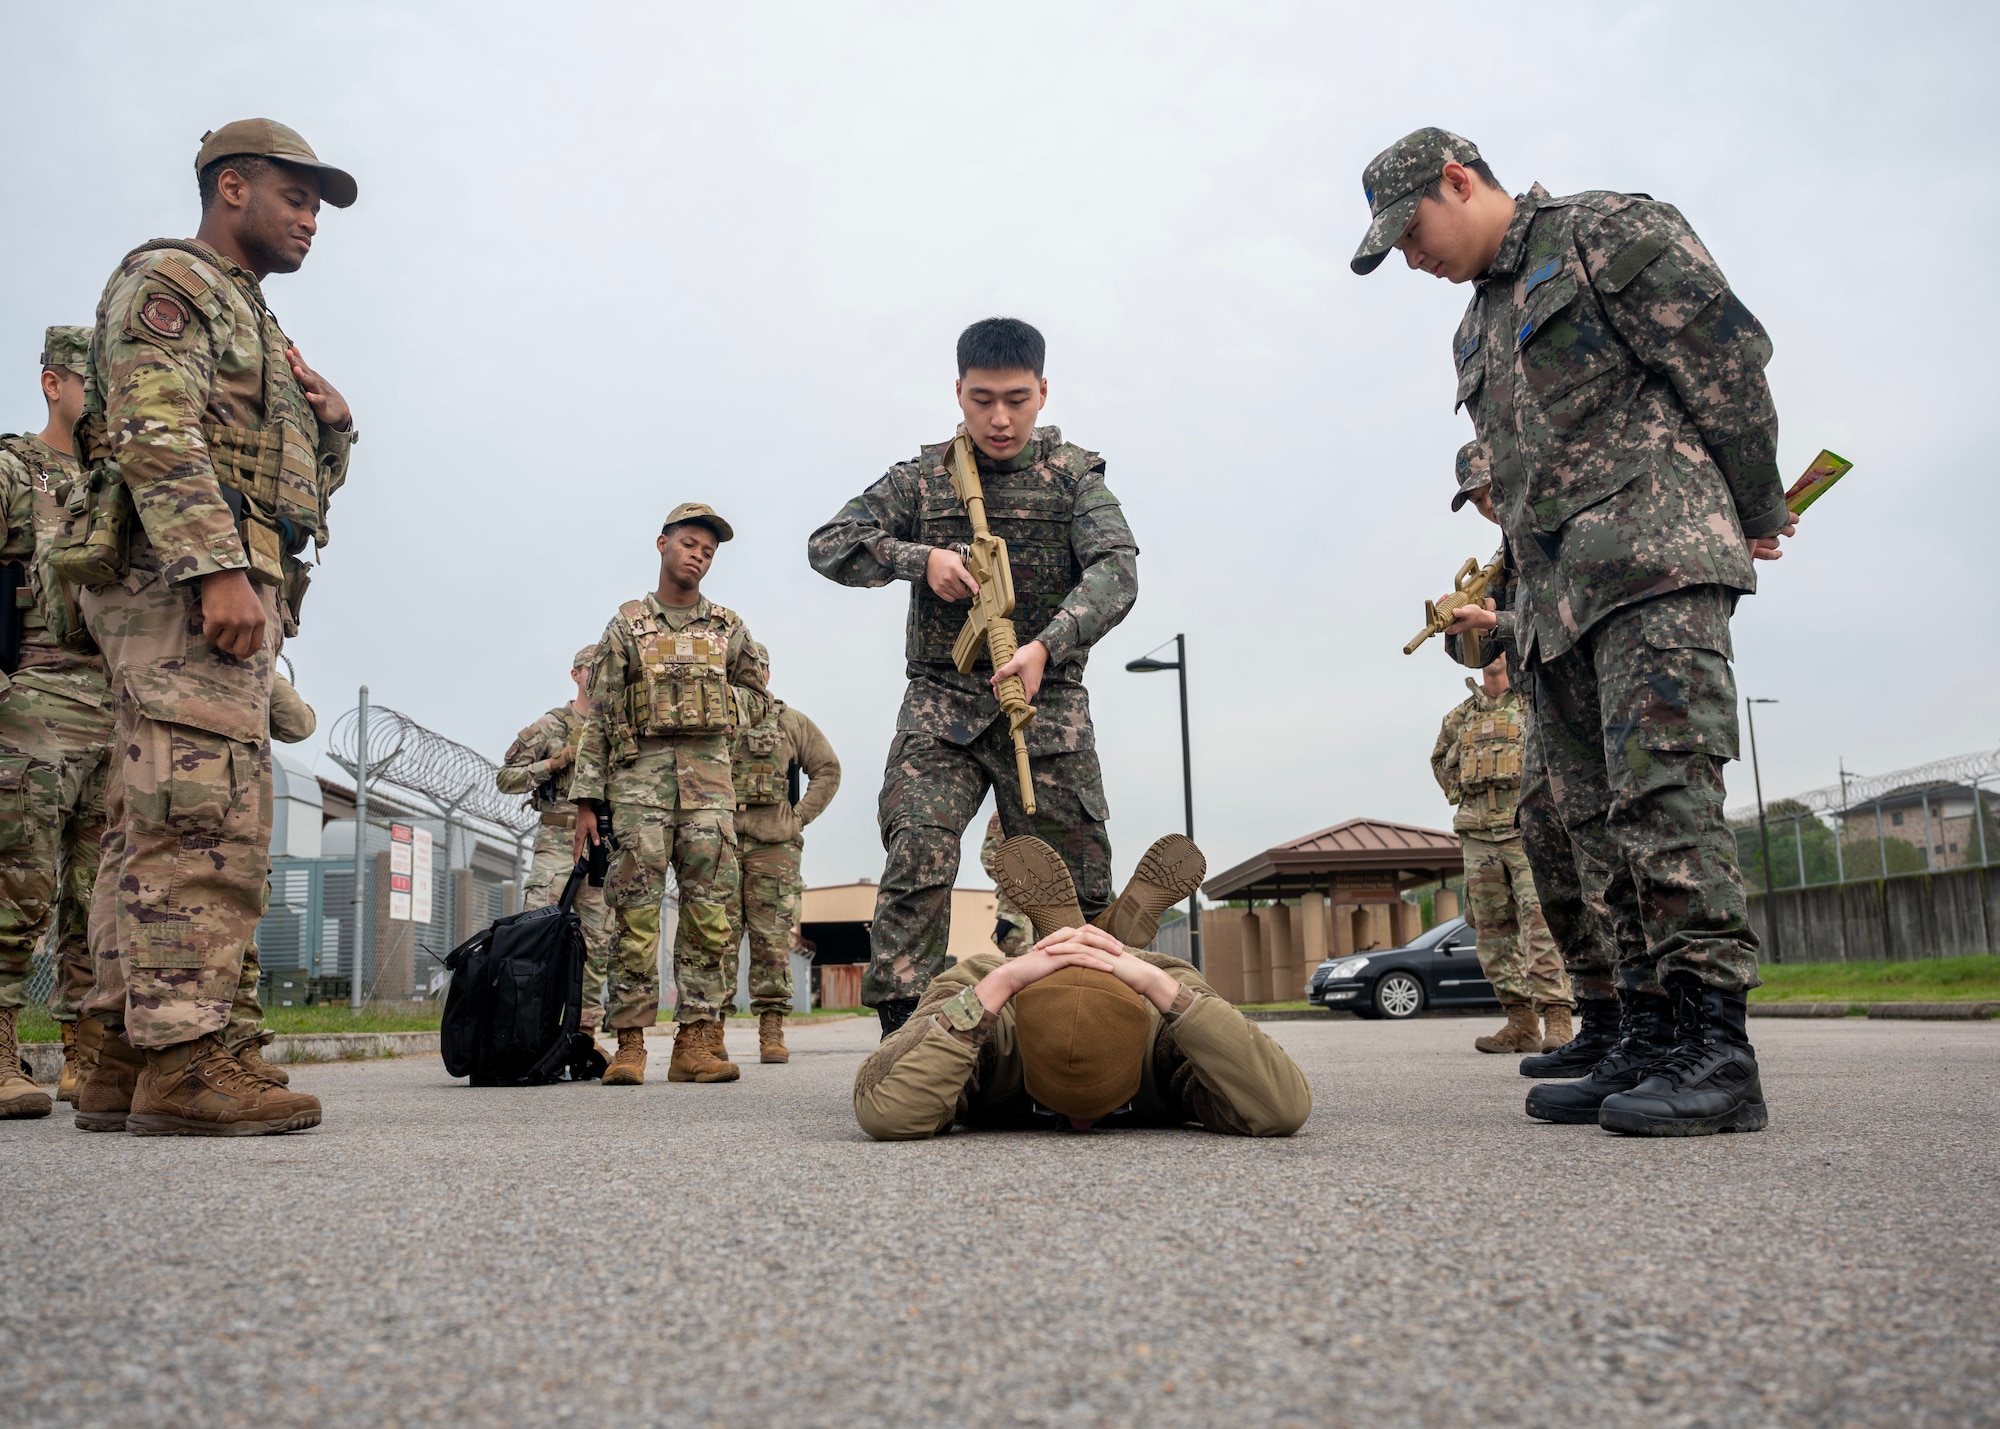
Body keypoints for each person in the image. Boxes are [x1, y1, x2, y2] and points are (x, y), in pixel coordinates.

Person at [1353, 128, 1794, 1135]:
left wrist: (1753, 505)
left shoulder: (1603, 231)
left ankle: (1715, 1050)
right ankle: (1643, 1032)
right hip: (1553, 605)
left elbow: (1721, 355)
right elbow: (1508, 472)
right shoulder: (1474, 328)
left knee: (1662, 796)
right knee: (1593, 828)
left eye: (1409, 232)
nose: (1410, 259)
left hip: (1650, 560)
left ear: (1456, 182)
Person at [66, 119, 356, 1136]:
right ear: (232, 187)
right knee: (199, 810)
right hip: (187, 584)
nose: (310, 219)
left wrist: (335, 421)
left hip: (221, 582)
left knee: (142, 818)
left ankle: (117, 1056)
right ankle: (186, 1061)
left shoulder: (254, 320)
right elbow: (155, 429)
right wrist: (218, 568)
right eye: (296, 197)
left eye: (317, 206)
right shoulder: (176, 284)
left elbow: (285, 477)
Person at [807, 317, 1139, 1037]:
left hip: (1044, 705)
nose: (999, 417)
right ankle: (905, 1031)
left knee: (1071, 886)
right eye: (982, 398)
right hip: (941, 709)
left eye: (1017, 399)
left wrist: (1048, 645)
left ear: (1043, 392)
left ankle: (1088, 1030)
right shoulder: (922, 480)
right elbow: (829, 545)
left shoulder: (1074, 476)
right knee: (916, 856)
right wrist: (917, 558)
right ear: (957, 391)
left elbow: (1117, 571)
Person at [852, 836, 1309, 1140]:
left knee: (1191, 997)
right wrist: (1005, 979)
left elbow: (1284, 1107)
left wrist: (1154, 982)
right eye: (1056, 1108)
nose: (1081, 1127)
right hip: (1003, 986)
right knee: (944, 1012)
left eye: (1111, 1108)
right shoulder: (988, 1024)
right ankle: (1095, 935)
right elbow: (885, 1107)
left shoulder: (1163, 1036)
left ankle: (1095, 938)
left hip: (1142, 982)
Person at [1442, 442, 1630, 1077]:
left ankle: (1612, 1021)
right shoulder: (1511, 552)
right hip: (1547, 721)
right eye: (1476, 501)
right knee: (1556, 881)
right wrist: (1473, 625)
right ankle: (1595, 1025)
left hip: (1591, 708)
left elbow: (1588, 598)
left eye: (1491, 492)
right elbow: (1483, 655)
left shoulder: (1562, 521)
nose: (1487, 508)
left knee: (1604, 873)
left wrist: (1497, 614)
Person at [570, 504, 769, 1087]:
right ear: (662, 544)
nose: (698, 556)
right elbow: (599, 715)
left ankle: (695, 1042)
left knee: (710, 915)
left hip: (709, 791)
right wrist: (586, 801)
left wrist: (714, 705)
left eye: (708, 550)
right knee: (633, 912)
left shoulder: (729, 628)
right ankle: (629, 1044)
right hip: (638, 789)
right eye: (688, 543)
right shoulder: (627, 626)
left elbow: (759, 698)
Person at [0, 328, 112, 1118]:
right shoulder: (13, 469)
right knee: (17, 887)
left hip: (116, 714)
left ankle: (84, 1056)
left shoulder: (122, 483)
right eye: (90, 383)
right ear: (53, 383)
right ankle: (2, 1050)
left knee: (95, 896)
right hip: (34, 706)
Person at [1431, 651, 1574, 1053]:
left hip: (1526, 825)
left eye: (1498, 645)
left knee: (1539, 925)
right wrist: (1467, 782)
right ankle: (1520, 1021)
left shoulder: (1535, 703)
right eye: (1484, 648)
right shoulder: (1460, 717)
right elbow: (1440, 762)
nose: (1492, 655)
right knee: (1491, 933)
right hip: (1477, 831)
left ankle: (1558, 1020)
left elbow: (1562, 753)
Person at [723, 653, 841, 1063]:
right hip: (717, 843)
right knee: (713, 939)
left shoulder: (791, 722)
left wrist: (799, 817)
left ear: (769, 672)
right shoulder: (712, 717)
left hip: (774, 847)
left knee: (772, 940)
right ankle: (708, 1032)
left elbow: (827, 769)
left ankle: (771, 1028)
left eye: (758, 666)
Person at [496, 645, 615, 1031]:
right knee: (539, 936)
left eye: (603, 670)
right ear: (575, 674)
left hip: (598, 845)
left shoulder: (614, 730)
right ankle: (532, 1029)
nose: (596, 676)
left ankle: (585, 1033)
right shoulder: (550, 726)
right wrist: (553, 762)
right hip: (556, 844)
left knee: (596, 943)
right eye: (589, 669)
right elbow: (505, 778)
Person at [980, 811, 1033, 956]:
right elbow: (990, 858)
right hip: (1018, 914)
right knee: (1021, 964)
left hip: (1052, 910)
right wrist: (1021, 885)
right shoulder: (1009, 809)